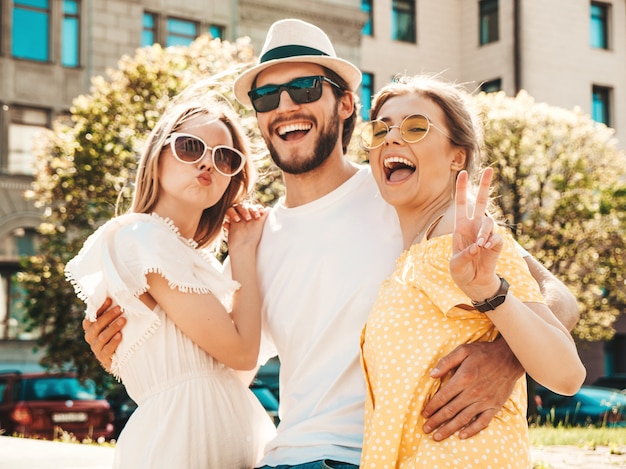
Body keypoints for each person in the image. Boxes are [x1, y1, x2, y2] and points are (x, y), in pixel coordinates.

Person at [83, 19, 580, 468]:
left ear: (345, 104)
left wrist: (505, 362)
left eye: (304, 87)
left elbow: (556, 297)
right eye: (266, 97)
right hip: (284, 456)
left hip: (384, 455)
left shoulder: (403, 194)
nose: (285, 106)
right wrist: (124, 346)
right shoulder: (253, 239)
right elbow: (227, 359)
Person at [358, 74, 586, 468]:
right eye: (380, 130)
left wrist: (490, 290)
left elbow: (566, 373)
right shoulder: (415, 253)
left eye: (414, 126)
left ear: (456, 156)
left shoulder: (460, 235)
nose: (392, 139)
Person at [66, 87, 276, 468]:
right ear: (158, 155)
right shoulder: (141, 238)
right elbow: (242, 351)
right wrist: (243, 253)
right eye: (191, 147)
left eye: (225, 157)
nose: (207, 163)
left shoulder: (199, 264)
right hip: (176, 445)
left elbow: (238, 372)